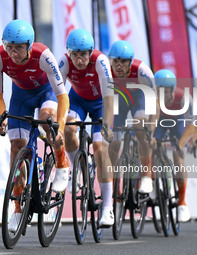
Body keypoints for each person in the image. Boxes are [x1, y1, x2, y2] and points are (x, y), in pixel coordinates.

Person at [0, 20, 70, 232]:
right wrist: (1, 118)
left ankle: (62, 162)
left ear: (29, 45)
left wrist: (59, 127)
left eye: (18, 48)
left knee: (47, 120)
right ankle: (17, 208)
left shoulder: (43, 55)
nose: (13, 53)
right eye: (9, 47)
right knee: (16, 145)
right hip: (21, 97)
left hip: (46, 92)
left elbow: (62, 96)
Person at [58, 28, 114, 227]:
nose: (79, 59)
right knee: (67, 130)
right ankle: (77, 168)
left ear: (90, 53)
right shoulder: (64, 62)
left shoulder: (100, 61)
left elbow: (109, 99)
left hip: (101, 104)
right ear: (69, 53)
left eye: (83, 54)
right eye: (75, 54)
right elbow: (57, 93)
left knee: (100, 148)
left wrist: (106, 126)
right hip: (78, 100)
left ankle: (107, 207)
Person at [107, 40, 158, 194]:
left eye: (123, 61)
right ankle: (115, 187)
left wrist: (151, 129)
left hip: (138, 97)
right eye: (115, 61)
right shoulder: (106, 71)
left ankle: (146, 173)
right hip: (119, 100)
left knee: (139, 126)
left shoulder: (142, 71)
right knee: (114, 144)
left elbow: (155, 102)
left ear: (130, 62)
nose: (119, 65)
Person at [153, 69, 197, 222]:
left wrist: (181, 143)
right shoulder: (151, 98)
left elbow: (191, 125)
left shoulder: (184, 98)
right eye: (158, 91)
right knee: (150, 146)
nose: (161, 95)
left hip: (177, 122)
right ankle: (153, 179)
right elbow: (147, 121)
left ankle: (182, 202)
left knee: (178, 156)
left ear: (172, 90)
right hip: (158, 121)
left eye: (165, 91)